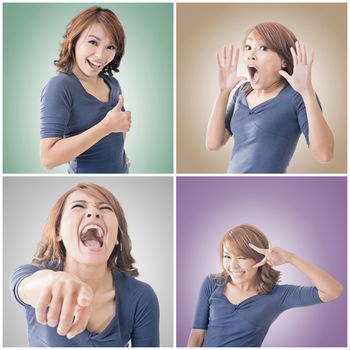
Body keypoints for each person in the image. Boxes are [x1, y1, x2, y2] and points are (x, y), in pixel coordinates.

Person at [10, 183, 159, 347]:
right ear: (58, 231)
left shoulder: (141, 296)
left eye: (105, 208)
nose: (94, 212)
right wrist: (53, 282)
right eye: (78, 206)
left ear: (117, 235)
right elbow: (24, 287)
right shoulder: (31, 274)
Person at [206, 22, 334, 173]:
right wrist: (223, 92)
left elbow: (324, 155)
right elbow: (213, 143)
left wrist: (307, 93)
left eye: (263, 48)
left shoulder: (296, 96)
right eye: (248, 47)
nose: (251, 55)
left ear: (284, 61)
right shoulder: (242, 91)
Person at [188, 224, 343, 347]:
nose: (232, 265)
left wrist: (291, 258)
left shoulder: (277, 295)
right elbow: (197, 336)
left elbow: (333, 291)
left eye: (241, 257)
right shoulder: (212, 283)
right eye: (227, 256)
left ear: (259, 258)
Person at [40, 7, 132, 173]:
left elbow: (119, 128)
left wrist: (121, 158)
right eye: (93, 42)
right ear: (74, 41)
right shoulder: (60, 86)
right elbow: (48, 159)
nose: (100, 56)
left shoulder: (113, 83)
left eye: (110, 47)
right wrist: (106, 126)